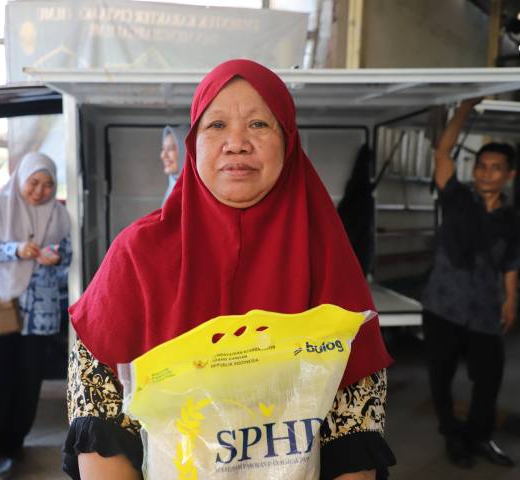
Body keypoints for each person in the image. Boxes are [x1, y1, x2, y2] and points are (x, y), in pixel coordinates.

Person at [62, 59, 396, 480]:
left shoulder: (327, 256)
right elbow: (98, 412)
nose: (236, 143)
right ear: (194, 144)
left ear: (288, 141)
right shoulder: (137, 254)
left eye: (259, 124)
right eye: (216, 125)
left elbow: (355, 423)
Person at [422, 98, 520, 469]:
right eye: (481, 166)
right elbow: (442, 153)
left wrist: (510, 300)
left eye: (495, 168)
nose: (486, 174)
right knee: (441, 375)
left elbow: (511, 263)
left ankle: (480, 436)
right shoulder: (457, 199)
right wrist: (464, 109)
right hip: (443, 305)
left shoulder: (513, 220)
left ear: (509, 175)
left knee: (489, 377)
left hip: (484, 309)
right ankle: (452, 436)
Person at [0, 152, 71, 477]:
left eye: (48, 184)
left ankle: (13, 444)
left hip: (40, 311)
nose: (40, 191)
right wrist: (14, 249)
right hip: (0, 305)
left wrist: (56, 258)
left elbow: (68, 255)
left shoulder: (58, 214)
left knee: (28, 380)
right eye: (34, 182)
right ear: (20, 178)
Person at [159, 125, 188, 206]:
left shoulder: (193, 194)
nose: (163, 155)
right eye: (163, 149)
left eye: (171, 148)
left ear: (186, 151)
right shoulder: (172, 189)